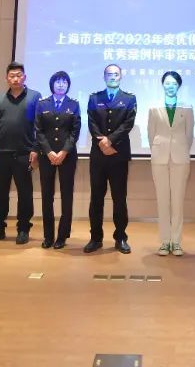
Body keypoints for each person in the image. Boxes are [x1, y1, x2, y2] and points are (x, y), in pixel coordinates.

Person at [0, 62, 41, 245]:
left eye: (19, 75)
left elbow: (39, 126)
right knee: (0, 193)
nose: (15, 79)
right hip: (1, 153)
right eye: (12, 76)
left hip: (24, 153)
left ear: (24, 77)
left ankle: (23, 228)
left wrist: (36, 149)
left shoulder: (35, 97)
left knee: (25, 193)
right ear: (7, 78)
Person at [84, 64, 137, 254]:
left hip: (118, 155)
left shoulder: (129, 99)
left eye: (116, 74)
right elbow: (91, 122)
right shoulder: (94, 98)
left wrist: (110, 140)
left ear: (121, 76)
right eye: (109, 74)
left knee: (119, 199)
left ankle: (120, 237)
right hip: (98, 155)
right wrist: (103, 142)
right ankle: (95, 238)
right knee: (96, 198)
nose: (113, 77)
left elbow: (128, 124)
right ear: (104, 76)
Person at [147, 71, 194, 256]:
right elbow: (151, 134)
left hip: (180, 158)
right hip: (159, 157)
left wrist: (180, 149)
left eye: (174, 83)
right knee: (162, 200)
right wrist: (159, 148)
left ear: (179, 86)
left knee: (177, 201)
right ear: (162, 85)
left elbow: (189, 136)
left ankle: (176, 242)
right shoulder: (154, 108)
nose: (170, 86)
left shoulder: (187, 108)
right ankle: (165, 242)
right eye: (167, 83)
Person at [35, 70, 80, 249]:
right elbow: (38, 131)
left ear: (68, 85)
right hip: (46, 156)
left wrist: (64, 152)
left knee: (66, 195)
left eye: (64, 82)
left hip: (67, 156)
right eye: (58, 82)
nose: (61, 85)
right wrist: (48, 151)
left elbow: (75, 131)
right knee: (47, 196)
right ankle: (48, 236)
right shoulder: (42, 104)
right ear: (52, 84)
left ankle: (62, 236)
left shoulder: (74, 104)